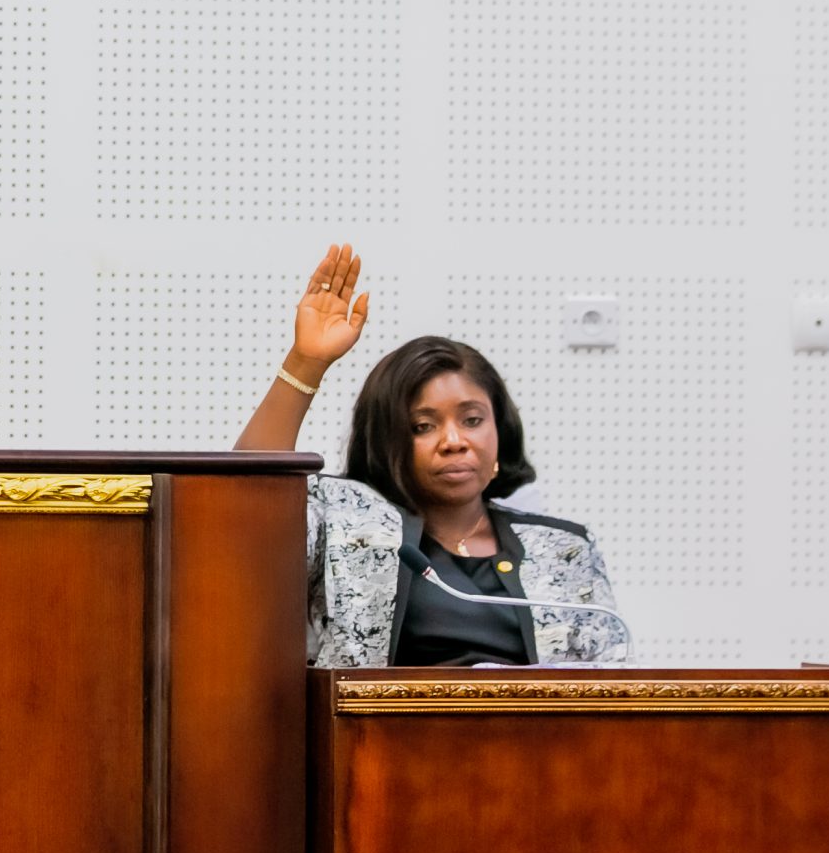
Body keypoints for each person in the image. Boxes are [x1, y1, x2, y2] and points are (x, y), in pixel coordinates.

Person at [235, 245, 624, 667]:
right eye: (423, 426)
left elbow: (616, 685)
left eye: (472, 420)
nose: (454, 440)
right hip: (376, 734)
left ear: (501, 429)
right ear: (387, 440)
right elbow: (248, 504)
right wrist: (306, 364)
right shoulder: (344, 528)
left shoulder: (563, 548)